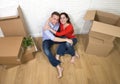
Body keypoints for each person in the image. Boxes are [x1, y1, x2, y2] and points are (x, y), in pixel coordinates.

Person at [42, 11, 73, 78]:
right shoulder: (46, 26)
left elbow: (63, 24)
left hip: (55, 37)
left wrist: (66, 39)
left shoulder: (58, 23)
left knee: (66, 39)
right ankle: (58, 67)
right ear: (51, 18)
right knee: (46, 50)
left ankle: (60, 53)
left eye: (57, 19)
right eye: (54, 19)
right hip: (47, 40)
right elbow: (53, 38)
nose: (55, 21)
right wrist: (65, 39)